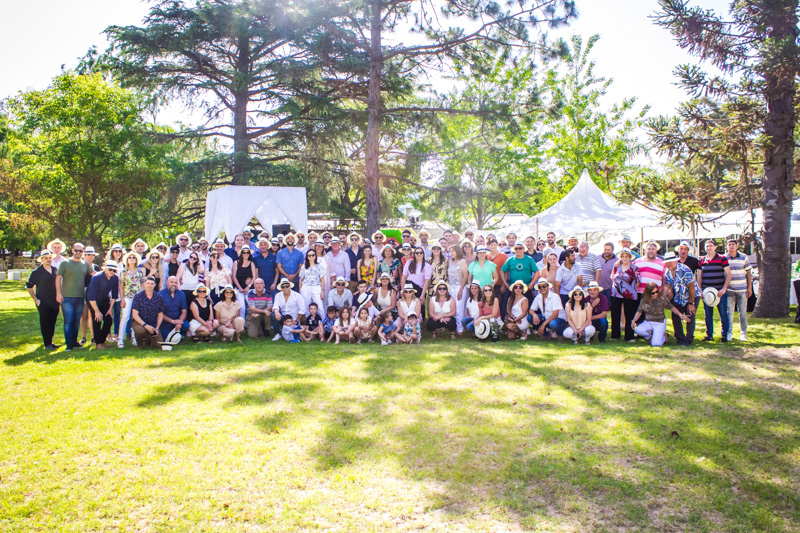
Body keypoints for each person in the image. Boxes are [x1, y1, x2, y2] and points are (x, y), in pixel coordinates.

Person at [56, 242, 92, 351]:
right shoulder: (65, 263)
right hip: (66, 297)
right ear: (72, 251)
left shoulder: (85, 264)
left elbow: (94, 274)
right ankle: (69, 345)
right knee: (68, 321)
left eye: (80, 251)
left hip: (80, 297)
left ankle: (74, 342)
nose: (78, 252)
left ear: (83, 252)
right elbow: (58, 278)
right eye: (76, 250)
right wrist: (58, 293)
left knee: (77, 321)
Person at [632, 282, 691, 347]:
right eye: (653, 293)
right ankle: (650, 337)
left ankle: (663, 337)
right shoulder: (644, 298)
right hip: (648, 321)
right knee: (638, 330)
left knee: (655, 344)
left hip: (659, 322)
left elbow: (672, 308)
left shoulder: (662, 298)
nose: (655, 294)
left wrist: (681, 315)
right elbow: (639, 311)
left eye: (656, 291)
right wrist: (634, 320)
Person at [697, 240, 732, 342]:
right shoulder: (701, 260)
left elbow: (728, 274)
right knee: (708, 315)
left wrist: (724, 289)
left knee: (723, 313)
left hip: (719, 291)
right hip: (706, 291)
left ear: (715, 247)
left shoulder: (722, 258)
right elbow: (699, 275)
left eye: (710, 246)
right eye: (707, 246)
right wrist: (700, 289)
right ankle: (709, 335)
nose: (708, 248)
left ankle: (724, 335)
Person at [26, 249, 61, 350]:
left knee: (52, 321)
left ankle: (50, 341)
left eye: (50, 258)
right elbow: (29, 287)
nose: (48, 260)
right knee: (45, 321)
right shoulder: (37, 272)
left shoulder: (55, 270)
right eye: (46, 258)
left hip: (54, 300)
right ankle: (46, 343)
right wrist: (35, 299)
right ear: (41, 259)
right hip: (43, 301)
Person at [662, 252, 698, 346]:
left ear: (676, 260)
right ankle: (680, 338)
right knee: (675, 316)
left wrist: (691, 303)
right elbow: (666, 287)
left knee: (690, 315)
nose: (669, 264)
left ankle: (689, 339)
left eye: (671, 262)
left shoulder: (685, 270)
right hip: (679, 296)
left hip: (691, 295)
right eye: (667, 262)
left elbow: (691, 287)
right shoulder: (667, 272)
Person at [86, 261, 120, 349]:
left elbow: (115, 295)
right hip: (93, 299)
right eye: (110, 269)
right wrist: (96, 311)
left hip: (104, 298)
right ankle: (98, 344)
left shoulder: (115, 278)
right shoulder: (96, 278)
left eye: (114, 270)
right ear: (105, 269)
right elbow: (91, 296)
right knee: (97, 319)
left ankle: (102, 341)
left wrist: (110, 309)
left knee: (109, 320)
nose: (112, 272)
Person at [725, 238, 753, 341]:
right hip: (729, 289)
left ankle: (743, 332)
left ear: (737, 246)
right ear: (727, 247)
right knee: (729, 312)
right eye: (729, 244)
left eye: (733, 244)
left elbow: (748, 273)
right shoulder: (724, 258)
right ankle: (729, 332)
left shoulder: (743, 257)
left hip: (742, 288)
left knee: (743, 312)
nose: (731, 246)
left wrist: (749, 287)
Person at [610, 248, 640, 342]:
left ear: (630, 257)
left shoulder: (634, 268)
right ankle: (615, 336)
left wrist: (630, 288)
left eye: (626, 256)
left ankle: (629, 336)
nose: (624, 258)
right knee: (615, 315)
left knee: (629, 315)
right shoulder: (616, 266)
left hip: (630, 294)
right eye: (623, 256)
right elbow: (612, 277)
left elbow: (638, 282)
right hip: (616, 293)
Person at [117, 251, 145, 348]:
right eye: (130, 257)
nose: (132, 259)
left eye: (134, 257)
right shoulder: (123, 272)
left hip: (137, 297)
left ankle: (135, 338)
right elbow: (121, 286)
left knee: (136, 318)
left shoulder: (140, 271)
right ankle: (120, 339)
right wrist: (122, 299)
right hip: (127, 297)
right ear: (127, 260)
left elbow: (142, 285)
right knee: (125, 317)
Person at [130, 276, 165, 349]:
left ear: (155, 285)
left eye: (152, 284)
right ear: (144, 284)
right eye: (148, 283)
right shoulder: (138, 297)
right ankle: (139, 343)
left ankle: (148, 340)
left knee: (158, 345)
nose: (150, 285)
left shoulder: (159, 297)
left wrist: (157, 328)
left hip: (153, 324)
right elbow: (135, 315)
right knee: (140, 330)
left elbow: (160, 314)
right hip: (139, 323)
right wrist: (145, 325)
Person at [78, 246, 101, 347]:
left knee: (92, 315)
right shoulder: (81, 265)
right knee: (84, 316)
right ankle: (83, 337)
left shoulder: (96, 267)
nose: (90, 256)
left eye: (92, 255)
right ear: (85, 255)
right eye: (88, 254)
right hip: (83, 291)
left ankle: (93, 337)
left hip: (94, 292)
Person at [158, 276, 188, 342]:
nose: (174, 284)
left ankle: (180, 334)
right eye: (171, 282)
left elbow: (184, 311)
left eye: (175, 282)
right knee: (167, 339)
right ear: (167, 283)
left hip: (178, 320)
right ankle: (175, 336)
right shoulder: (160, 294)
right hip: (165, 322)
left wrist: (179, 322)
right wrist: (172, 321)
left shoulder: (181, 294)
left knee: (186, 325)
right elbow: (160, 313)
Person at [298, 248, 327, 316]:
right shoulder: (304, 267)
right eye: (309, 255)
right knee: (306, 306)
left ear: (315, 256)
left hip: (316, 287)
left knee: (319, 306)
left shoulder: (319, 266)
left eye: (313, 255)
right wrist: (300, 289)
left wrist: (322, 290)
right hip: (305, 287)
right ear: (307, 257)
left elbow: (322, 279)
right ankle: (309, 324)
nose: (311, 257)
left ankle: (323, 323)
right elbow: (301, 279)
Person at [447, 244, 468, 334]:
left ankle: (460, 328)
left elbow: (465, 276)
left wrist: (460, 290)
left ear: (457, 251)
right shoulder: (449, 262)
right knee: (453, 307)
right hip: (451, 287)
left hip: (460, 286)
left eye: (453, 251)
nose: (451, 253)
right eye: (450, 251)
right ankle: (453, 327)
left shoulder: (462, 261)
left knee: (459, 308)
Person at [231, 246, 256, 318]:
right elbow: (234, 276)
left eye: (247, 252)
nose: (245, 254)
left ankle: (251, 322)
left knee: (251, 306)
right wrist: (239, 288)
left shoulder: (251, 263)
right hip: (238, 289)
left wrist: (248, 287)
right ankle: (242, 324)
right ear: (241, 253)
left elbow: (254, 276)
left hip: (249, 288)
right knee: (242, 307)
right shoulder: (236, 262)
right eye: (244, 252)